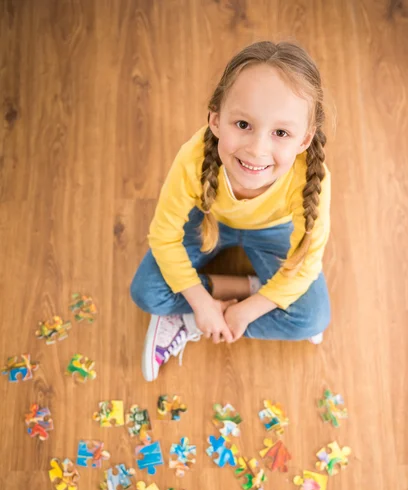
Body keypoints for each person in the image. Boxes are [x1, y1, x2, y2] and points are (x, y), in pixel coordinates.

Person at [130, 40, 331, 382]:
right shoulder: (193, 159)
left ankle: (198, 314)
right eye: (243, 125)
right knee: (146, 291)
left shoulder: (312, 179)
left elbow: (308, 261)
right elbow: (163, 236)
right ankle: (238, 294)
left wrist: (245, 313)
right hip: (208, 218)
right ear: (216, 119)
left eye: (281, 132)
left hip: (274, 232)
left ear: (304, 141)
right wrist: (201, 302)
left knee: (311, 318)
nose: (257, 150)